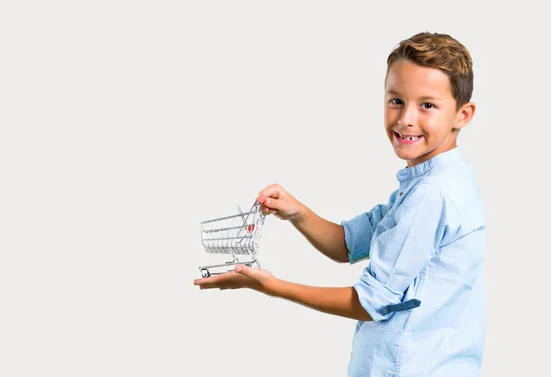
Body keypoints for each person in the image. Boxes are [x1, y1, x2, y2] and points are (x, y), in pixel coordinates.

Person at [194, 31, 486, 377]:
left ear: (462, 114)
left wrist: (271, 287)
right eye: (396, 100)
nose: (406, 118)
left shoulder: (432, 195)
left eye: (427, 105)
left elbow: (369, 302)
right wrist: (296, 211)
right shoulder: (426, 183)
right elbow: (347, 244)